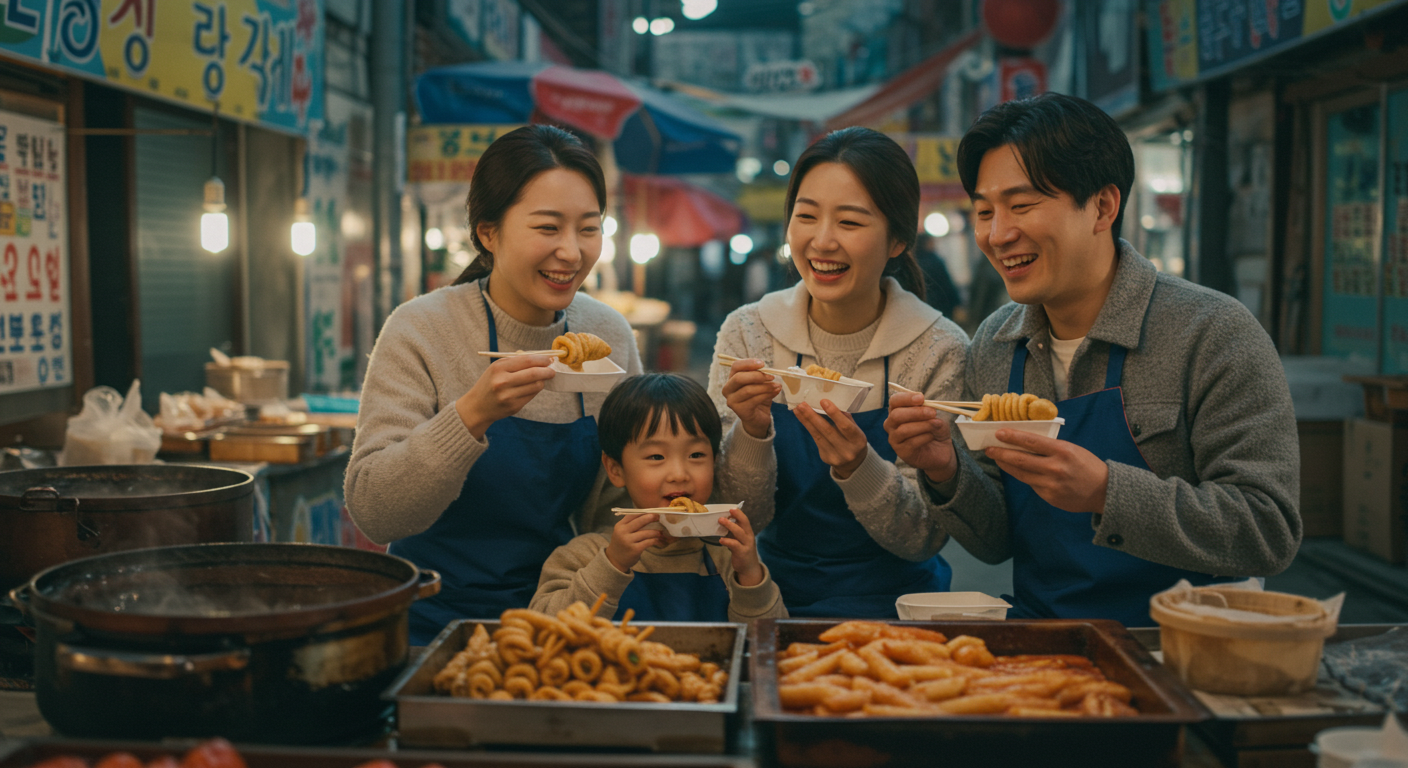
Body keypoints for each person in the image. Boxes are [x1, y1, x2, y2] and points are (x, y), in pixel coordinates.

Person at [884, 93, 1301, 626]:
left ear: (1103, 206)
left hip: (1183, 647)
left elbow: (1270, 531)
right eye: (985, 211)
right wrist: (944, 469)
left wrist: (1108, 491)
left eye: (1023, 204)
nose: (997, 233)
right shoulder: (994, 342)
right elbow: (995, 543)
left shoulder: (1212, 332)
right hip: (1047, 646)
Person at [345, 125, 643, 643]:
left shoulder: (606, 336)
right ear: (488, 233)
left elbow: (615, 510)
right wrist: (471, 415)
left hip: (560, 621)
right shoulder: (422, 329)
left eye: (588, 229)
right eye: (548, 228)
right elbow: (375, 512)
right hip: (430, 620)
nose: (571, 252)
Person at [709, 127, 969, 618]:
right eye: (806, 216)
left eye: (850, 222)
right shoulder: (748, 334)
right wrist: (751, 431)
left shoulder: (938, 348)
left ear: (897, 239)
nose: (822, 241)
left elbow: (924, 537)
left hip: (903, 608)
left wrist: (859, 467)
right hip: (768, 598)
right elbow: (740, 518)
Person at [532, 373, 786, 623]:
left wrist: (751, 575)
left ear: (715, 462)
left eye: (696, 455)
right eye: (656, 457)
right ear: (615, 470)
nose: (679, 474)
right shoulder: (582, 555)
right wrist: (612, 565)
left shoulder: (727, 557)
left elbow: (769, 644)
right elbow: (544, 633)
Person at [913, 234, 961, 317]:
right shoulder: (934, 260)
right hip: (941, 302)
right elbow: (946, 283)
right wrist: (956, 302)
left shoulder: (915, 262)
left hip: (922, 305)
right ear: (927, 243)